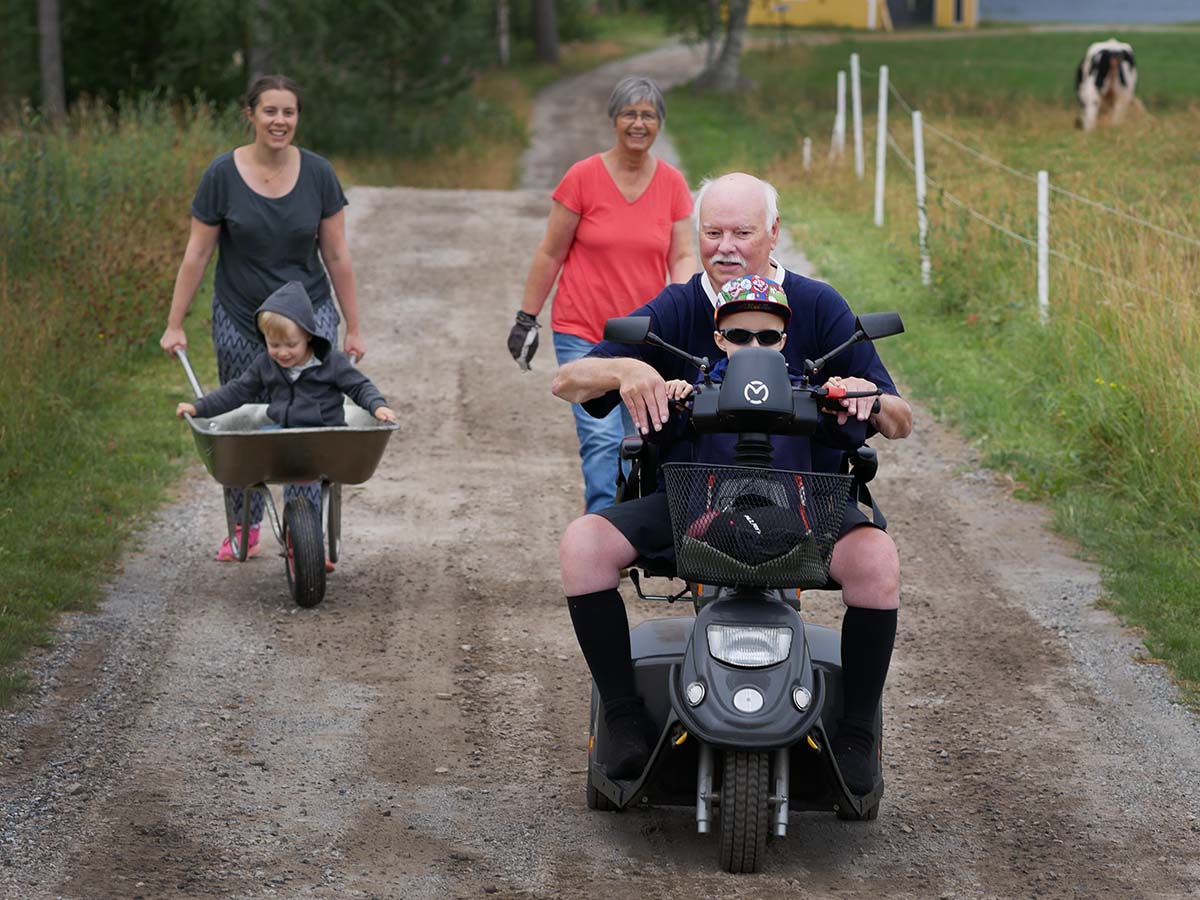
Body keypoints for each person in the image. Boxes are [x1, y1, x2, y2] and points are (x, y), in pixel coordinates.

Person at [550, 172, 913, 793]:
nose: (725, 247)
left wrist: (868, 397)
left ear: (774, 232)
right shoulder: (675, 307)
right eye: (712, 232)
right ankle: (624, 717)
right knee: (583, 546)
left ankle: (856, 734)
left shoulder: (819, 305)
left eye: (742, 232)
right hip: (689, 500)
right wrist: (629, 370)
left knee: (878, 563)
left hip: (808, 506)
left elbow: (900, 420)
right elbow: (568, 381)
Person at [159, 74, 366, 561]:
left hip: (308, 317)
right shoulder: (222, 175)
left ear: (297, 118)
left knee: (311, 419)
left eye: (288, 112)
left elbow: (337, 255)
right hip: (240, 315)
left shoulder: (318, 174)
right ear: (250, 114)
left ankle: (303, 530)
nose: (280, 120)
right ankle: (244, 525)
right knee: (241, 420)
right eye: (270, 110)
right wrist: (174, 322)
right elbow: (197, 253)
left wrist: (354, 326)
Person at [508, 75, 698, 513]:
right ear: (614, 119)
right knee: (600, 439)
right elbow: (551, 252)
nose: (638, 123)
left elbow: (683, 255)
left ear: (659, 123)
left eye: (648, 115)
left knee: (643, 436)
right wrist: (526, 318)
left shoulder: (672, 184)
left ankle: (632, 525)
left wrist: (683, 309)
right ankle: (600, 529)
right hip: (583, 332)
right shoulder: (583, 177)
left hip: (645, 340)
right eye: (629, 113)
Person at [175, 281, 395, 428]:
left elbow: (359, 386)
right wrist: (199, 408)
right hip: (285, 435)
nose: (282, 352)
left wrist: (378, 406)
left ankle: (312, 489)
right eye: (274, 344)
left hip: (326, 436)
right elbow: (237, 391)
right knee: (254, 455)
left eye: (291, 344)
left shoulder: (331, 362)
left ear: (308, 335)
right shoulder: (265, 364)